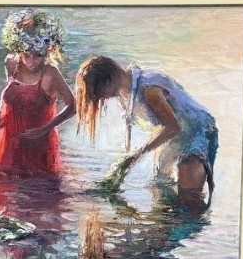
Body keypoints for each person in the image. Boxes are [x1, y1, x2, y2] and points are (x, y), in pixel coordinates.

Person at [75, 55, 218, 203]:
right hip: (172, 136)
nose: (102, 98)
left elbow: (172, 127)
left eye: (100, 93)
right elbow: (133, 126)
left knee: (189, 197)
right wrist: (125, 163)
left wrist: (139, 153)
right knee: (162, 190)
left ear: (110, 79)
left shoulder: (148, 89)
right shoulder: (124, 91)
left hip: (196, 132)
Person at [0, 8, 76, 174]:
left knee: (37, 183)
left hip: (37, 141)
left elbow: (73, 106)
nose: (31, 62)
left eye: (37, 56)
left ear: (46, 54)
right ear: (19, 51)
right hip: (8, 137)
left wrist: (45, 129)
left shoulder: (51, 73)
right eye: (27, 55)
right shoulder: (11, 63)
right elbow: (10, 96)